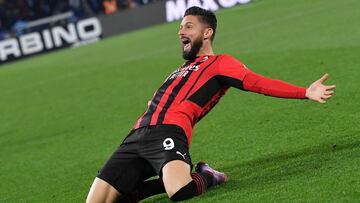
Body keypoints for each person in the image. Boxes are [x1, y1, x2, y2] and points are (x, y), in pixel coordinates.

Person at [86, 6, 336, 203]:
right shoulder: (178, 70)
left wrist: (304, 91)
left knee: (180, 191)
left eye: (188, 26)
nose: (180, 31)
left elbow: (257, 83)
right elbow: (155, 99)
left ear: (207, 33)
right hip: (135, 135)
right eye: (180, 26)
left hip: (170, 132)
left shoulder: (220, 64)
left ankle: (206, 175)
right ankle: (135, 192)